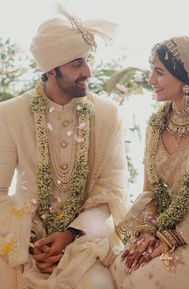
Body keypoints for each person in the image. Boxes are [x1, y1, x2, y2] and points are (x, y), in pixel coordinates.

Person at [0, 5, 128, 289]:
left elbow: (113, 189)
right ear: (51, 70)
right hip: (23, 240)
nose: (88, 71)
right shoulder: (10, 114)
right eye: (77, 64)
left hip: (86, 240)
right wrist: (27, 241)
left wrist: (71, 234)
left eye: (87, 60)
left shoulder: (107, 116)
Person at [111, 36, 189, 289]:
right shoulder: (155, 126)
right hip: (162, 226)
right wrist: (146, 233)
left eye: (159, 72)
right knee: (121, 266)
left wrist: (173, 237)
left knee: (145, 279)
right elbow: (150, 193)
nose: (150, 80)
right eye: (151, 71)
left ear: (185, 78)